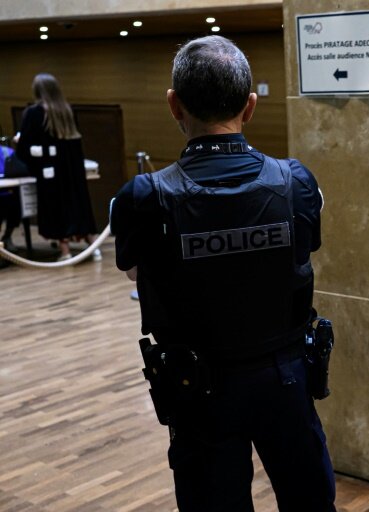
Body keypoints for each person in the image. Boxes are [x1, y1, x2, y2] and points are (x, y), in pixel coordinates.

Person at [110, 36, 336, 512]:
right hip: (286, 380)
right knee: (310, 503)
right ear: (250, 106)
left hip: (199, 390)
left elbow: (136, 273)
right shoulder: (295, 182)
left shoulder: (143, 198)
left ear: (174, 104)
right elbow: (302, 251)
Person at [14, 73, 101, 261]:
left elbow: (25, 147)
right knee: (79, 206)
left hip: (49, 173)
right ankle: (94, 248)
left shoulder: (34, 112)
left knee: (56, 208)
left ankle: (65, 251)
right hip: (73, 171)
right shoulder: (67, 111)